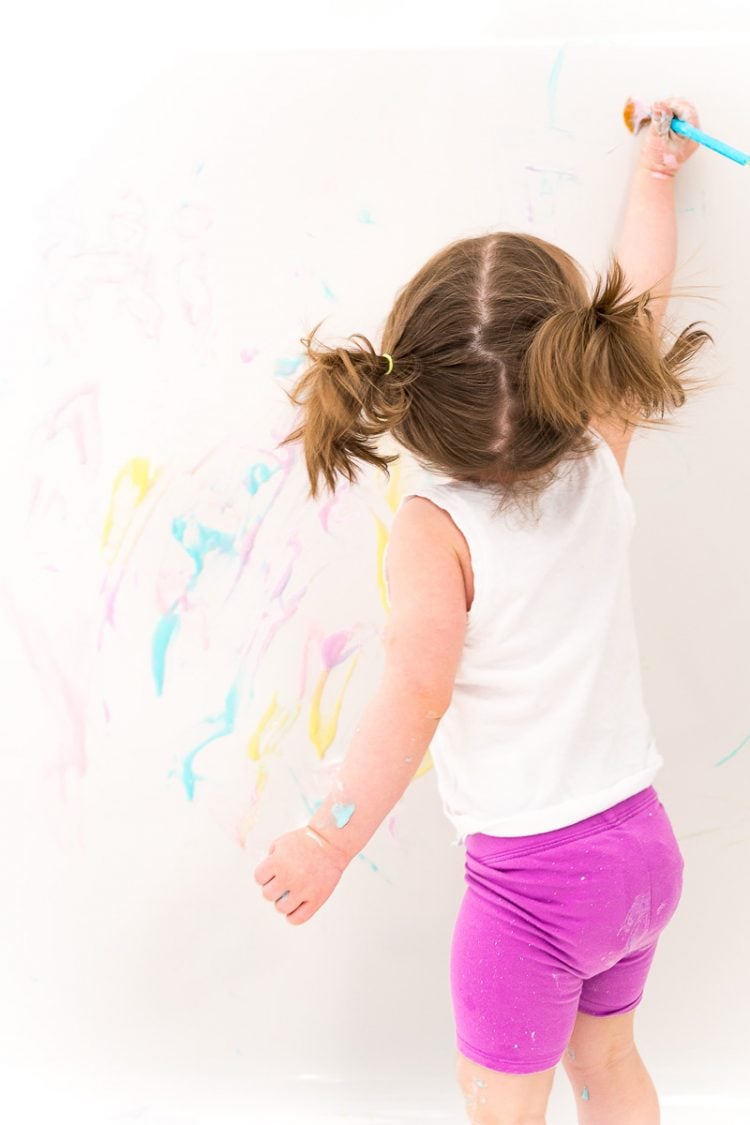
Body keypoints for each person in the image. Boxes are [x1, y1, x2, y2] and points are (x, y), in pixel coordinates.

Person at [253, 95, 715, 1124]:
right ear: (581, 369)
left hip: (533, 891)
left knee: (497, 1104)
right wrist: (652, 175)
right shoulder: (601, 457)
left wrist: (328, 840)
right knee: (609, 1071)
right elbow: (642, 301)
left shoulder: (433, 527)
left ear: (412, 392)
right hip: (642, 852)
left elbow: (413, 693)